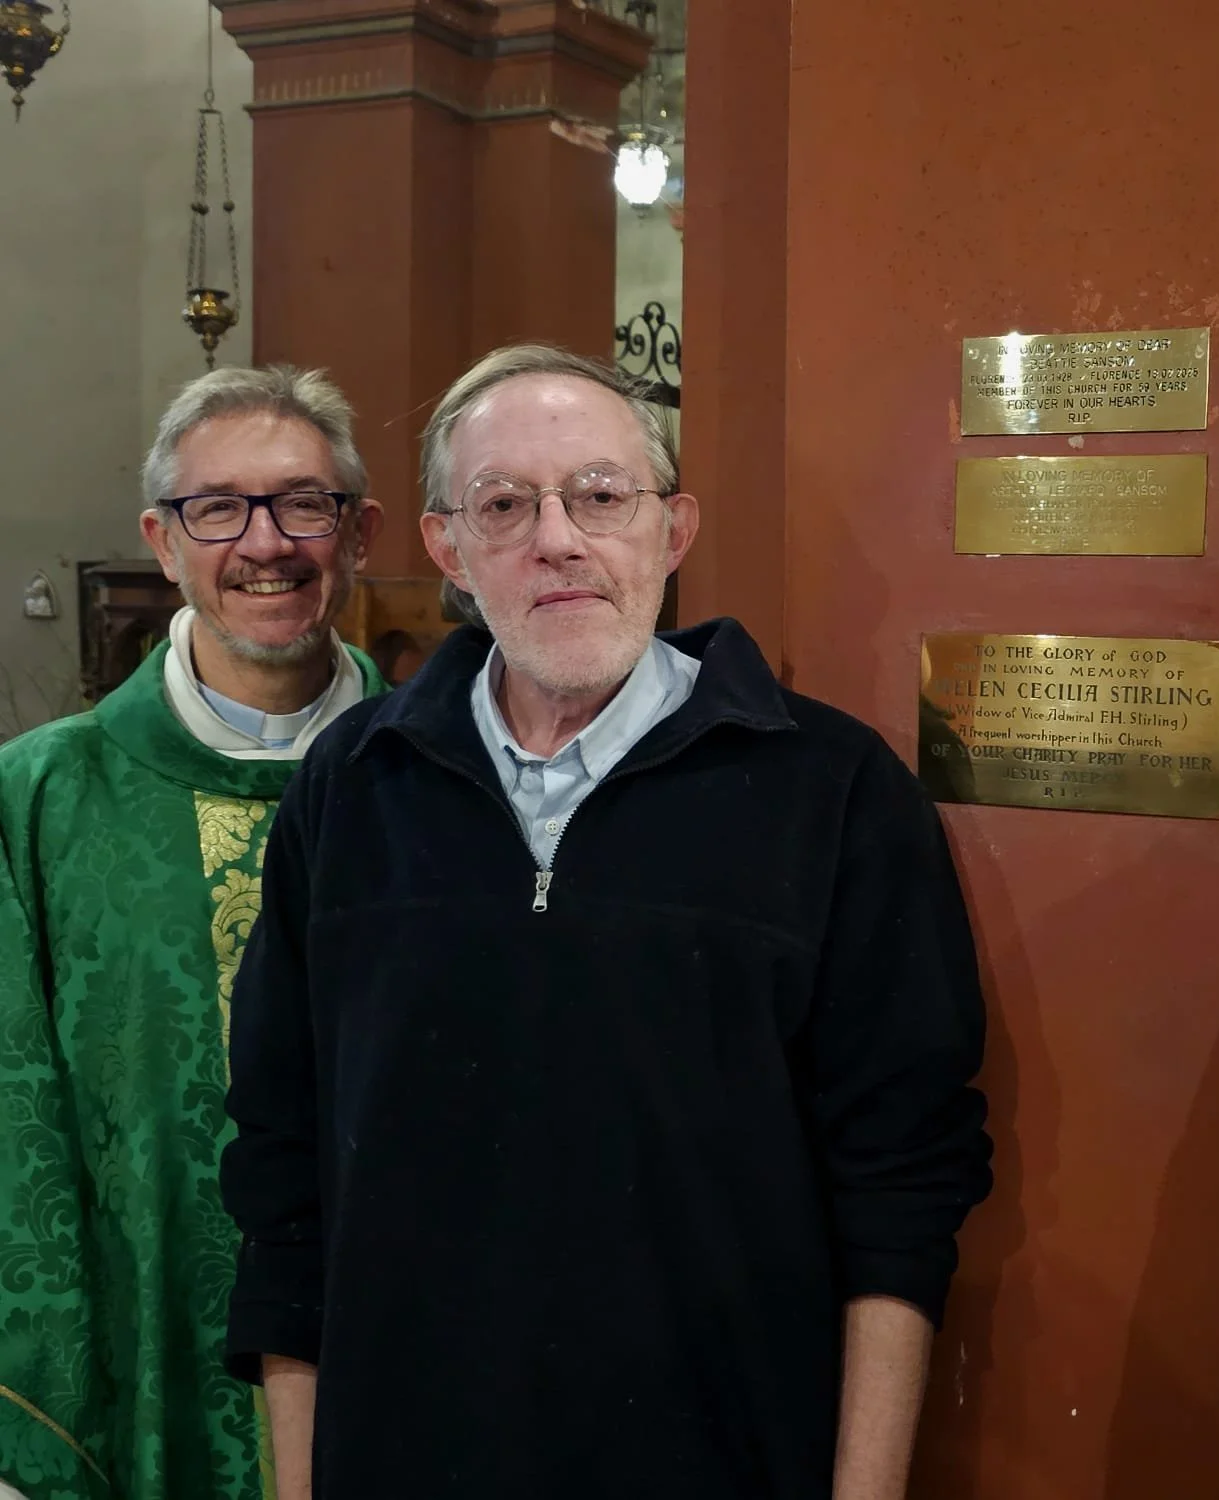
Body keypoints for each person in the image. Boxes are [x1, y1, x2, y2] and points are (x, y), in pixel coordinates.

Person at [221, 344, 993, 1500]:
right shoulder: (352, 789)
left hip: (724, 1457)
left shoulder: (830, 794)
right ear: (449, 550)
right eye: (504, 504)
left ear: (670, 532)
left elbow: (902, 1187)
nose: (557, 538)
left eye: (599, 495)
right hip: (405, 1455)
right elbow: (284, 1179)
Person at [0, 366, 385, 1500]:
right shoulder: (37, 802)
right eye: (218, 508)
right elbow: (13, 1126)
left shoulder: (449, 785)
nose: (264, 543)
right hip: (141, 1376)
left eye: (302, 504)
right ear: (162, 542)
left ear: (357, 534)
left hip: (405, 1361)